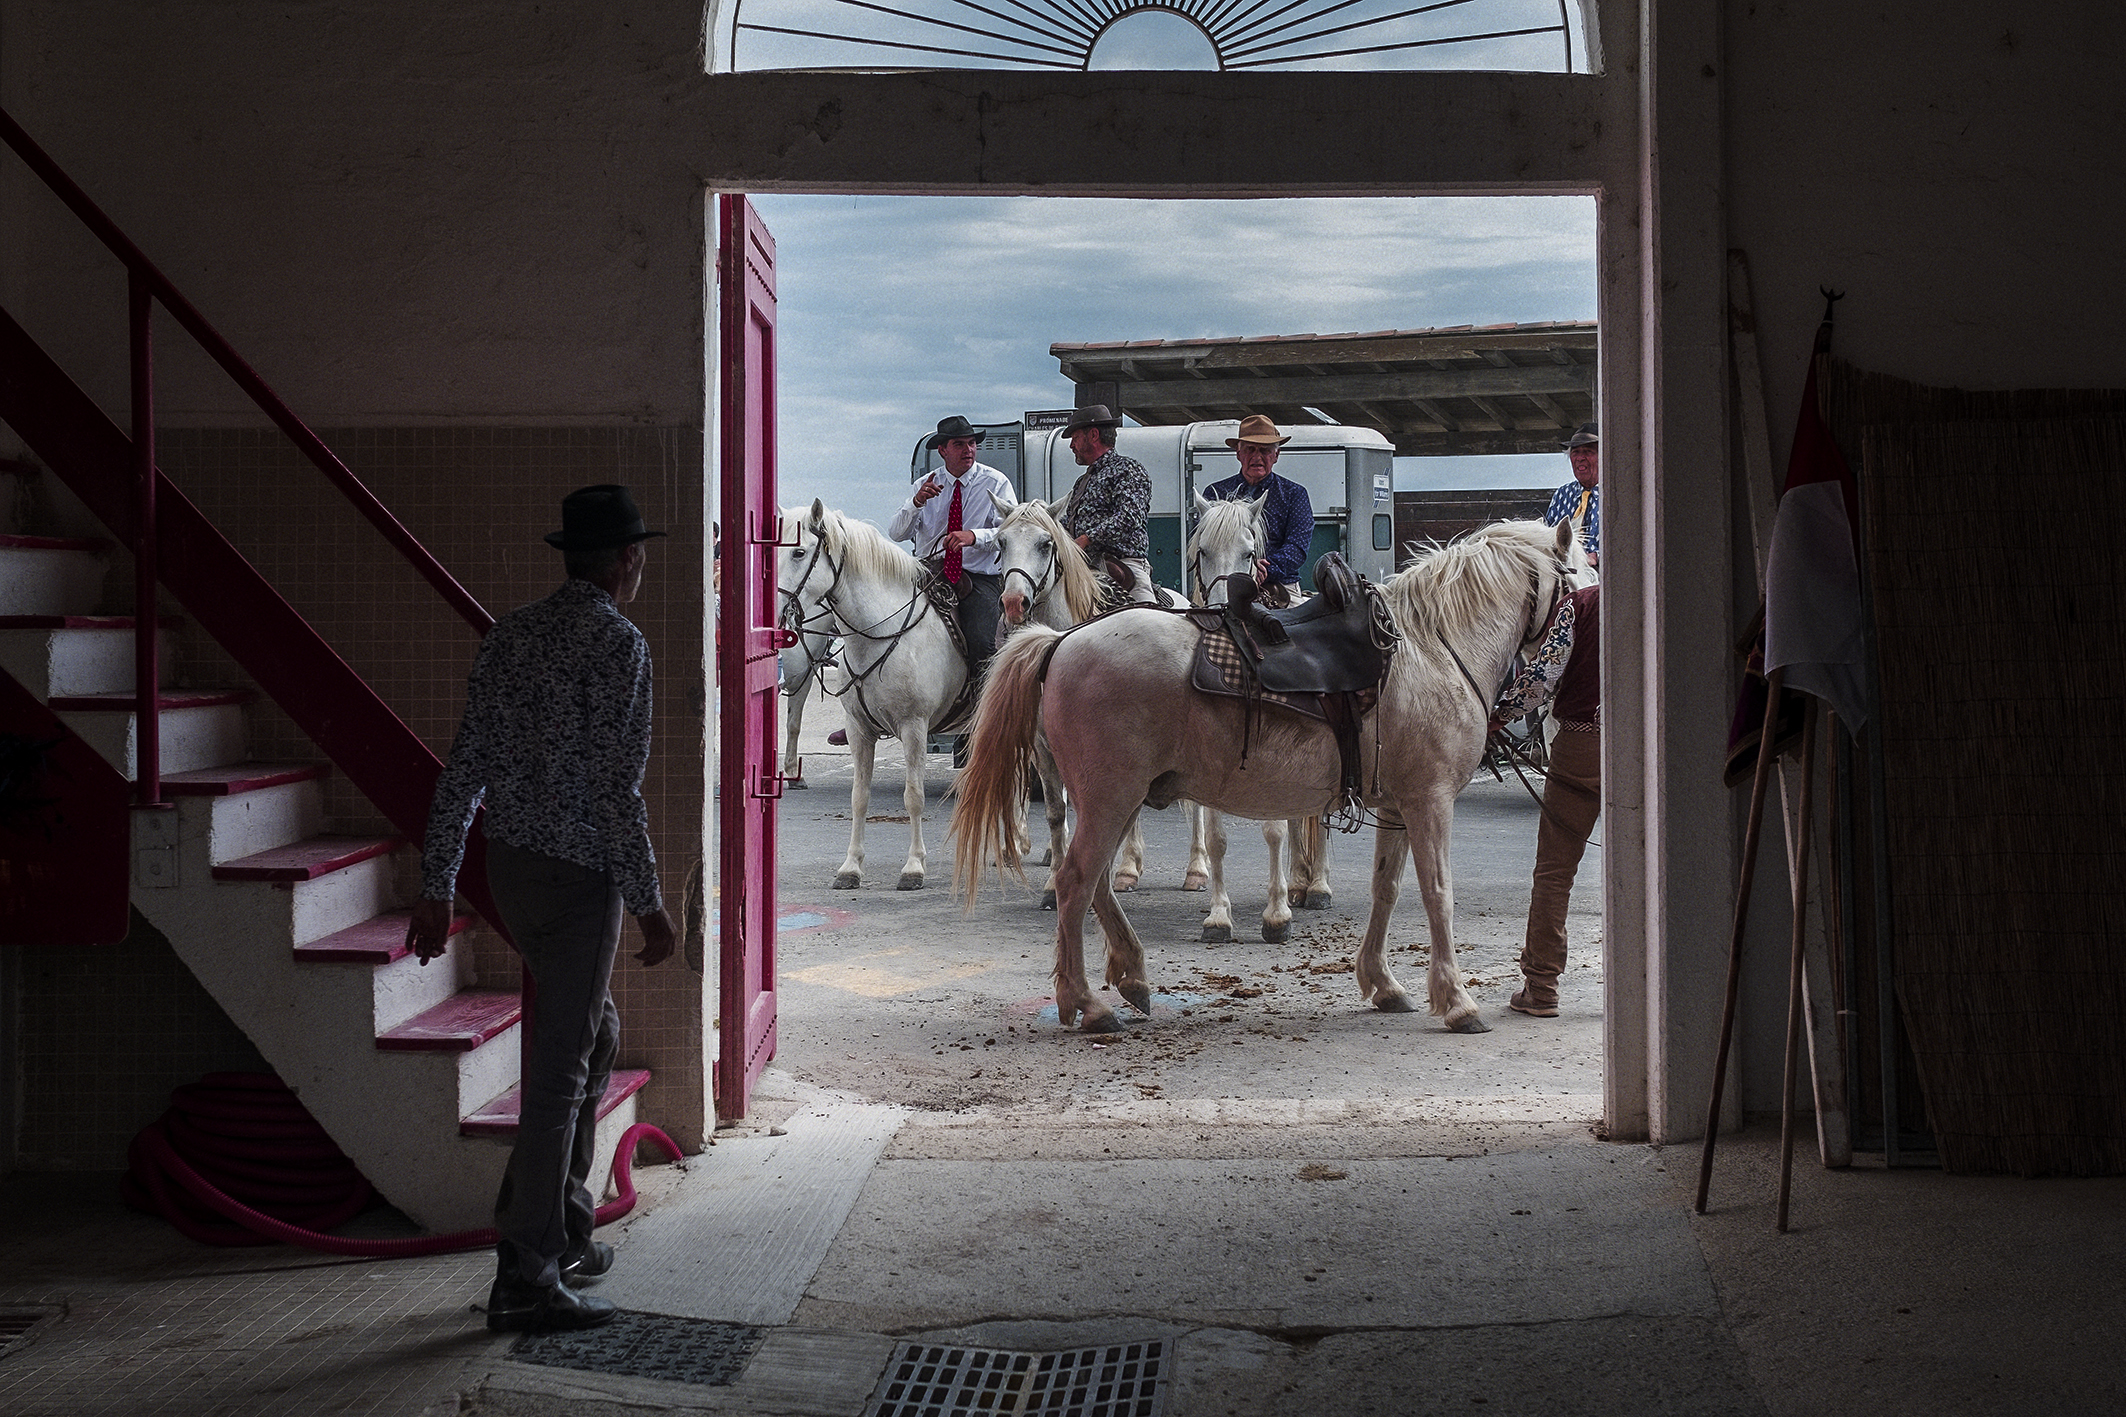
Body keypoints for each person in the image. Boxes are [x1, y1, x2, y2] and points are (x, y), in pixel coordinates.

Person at [408, 484, 678, 1333]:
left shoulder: (511, 635)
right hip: (579, 880)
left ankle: (563, 1222)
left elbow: (464, 768)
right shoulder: (620, 645)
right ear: (627, 560)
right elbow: (616, 791)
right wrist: (650, 903)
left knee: (594, 1034)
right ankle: (526, 1273)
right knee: (559, 1075)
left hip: (512, 872)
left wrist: (438, 883)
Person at [1489, 580, 1600, 1018]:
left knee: (1555, 872)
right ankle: (1642, 984)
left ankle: (1541, 987)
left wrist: (1498, 716)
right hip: (1651, 747)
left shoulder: (1581, 605)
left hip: (1581, 746)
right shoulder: (1666, 600)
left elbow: (1541, 679)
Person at [888, 414, 1018, 671]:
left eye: (972, 443)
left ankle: (980, 693)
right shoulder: (925, 485)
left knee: (981, 642)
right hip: (928, 573)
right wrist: (916, 503)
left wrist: (974, 537)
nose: (968, 450)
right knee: (891, 620)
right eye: (959, 444)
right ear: (942, 450)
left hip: (978, 576)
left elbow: (1011, 532)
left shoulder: (995, 482)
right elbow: (896, 533)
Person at [1200, 413, 1314, 598]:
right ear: (1238, 454)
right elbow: (1204, 546)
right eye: (1250, 449)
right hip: (1221, 586)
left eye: (1265, 450)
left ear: (1276, 455)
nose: (1257, 456)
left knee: (1295, 617)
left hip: (1280, 587)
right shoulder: (1215, 493)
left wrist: (1265, 569)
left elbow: (1297, 547)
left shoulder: (1294, 494)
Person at [1057, 403, 1157, 603]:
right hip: (1084, 566)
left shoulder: (1128, 469)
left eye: (1075, 438)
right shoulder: (1082, 481)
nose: (1071, 446)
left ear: (1093, 435)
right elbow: (1070, 522)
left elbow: (1129, 517)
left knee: (1147, 615)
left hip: (1124, 566)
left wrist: (1087, 539)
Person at [1544, 422, 1600, 568]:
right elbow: (1547, 537)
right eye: (1575, 452)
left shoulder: (1616, 494)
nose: (1580, 458)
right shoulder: (1562, 495)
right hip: (1567, 575)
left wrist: (1598, 556)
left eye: (1588, 451)